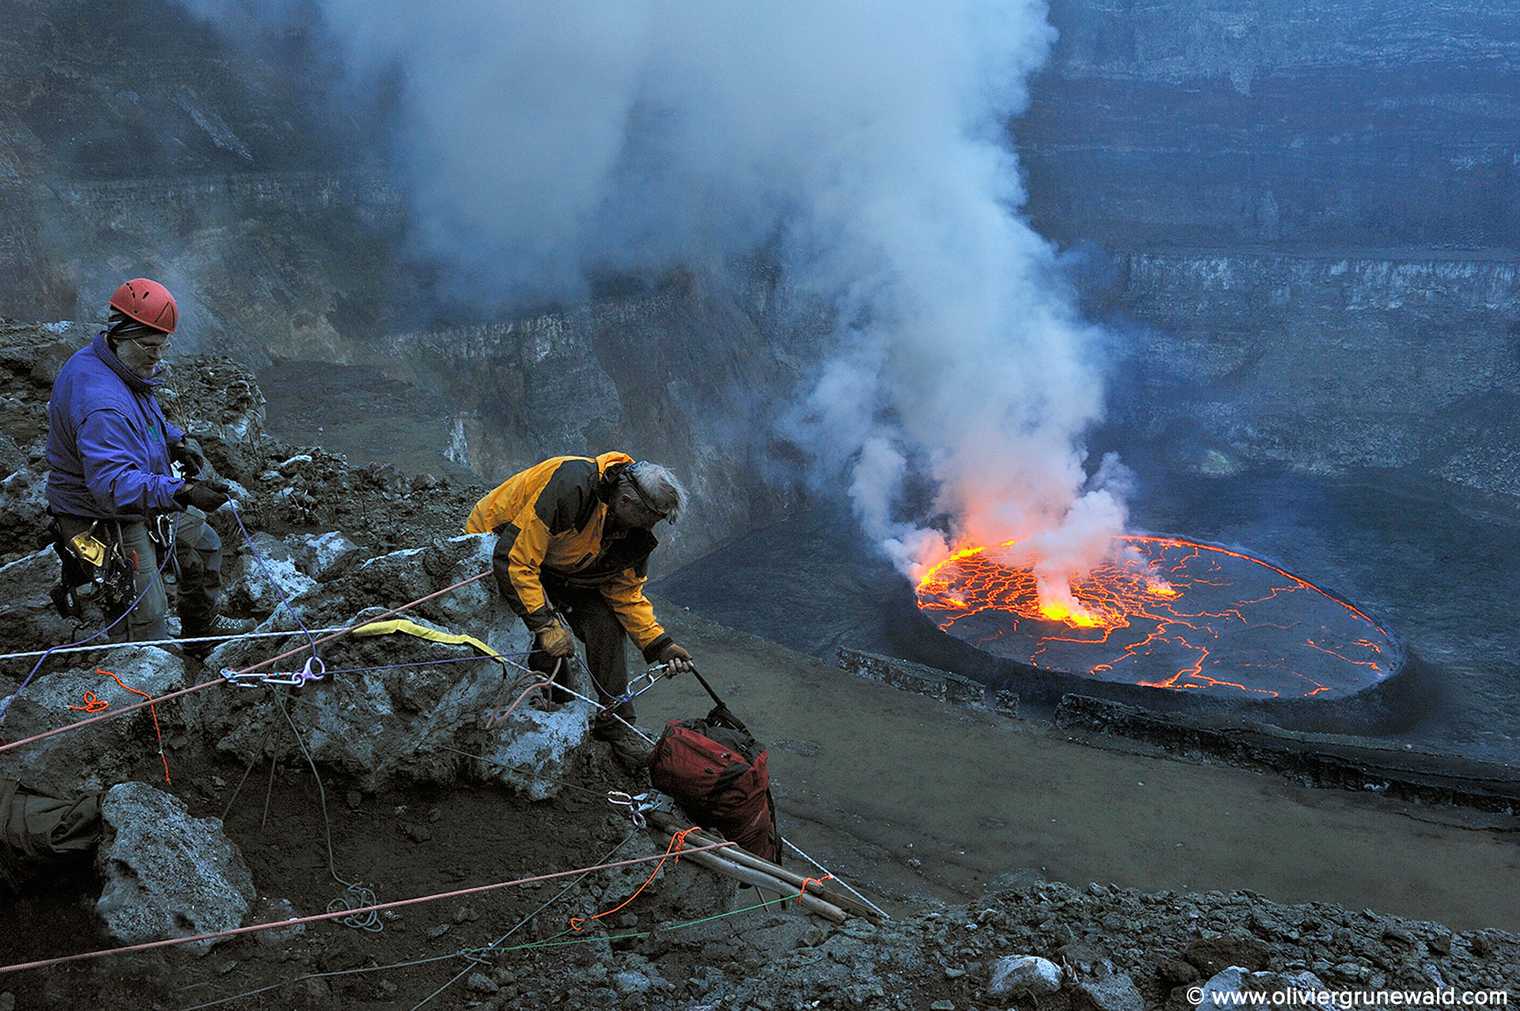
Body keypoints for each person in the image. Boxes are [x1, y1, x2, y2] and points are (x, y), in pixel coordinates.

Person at [44, 277, 247, 649]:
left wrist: (173, 441)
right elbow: (113, 487)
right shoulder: (100, 402)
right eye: (150, 346)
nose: (158, 355)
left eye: (162, 345)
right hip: (106, 516)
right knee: (146, 614)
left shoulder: (116, 364)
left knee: (203, 544)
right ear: (122, 335)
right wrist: (183, 490)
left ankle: (201, 634)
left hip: (143, 492)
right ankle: (145, 686)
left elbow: (142, 412)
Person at [465, 452, 695, 768]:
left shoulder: (628, 528)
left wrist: (660, 644)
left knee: (606, 626)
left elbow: (625, 593)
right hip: (499, 542)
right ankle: (553, 696)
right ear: (627, 501)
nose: (651, 528)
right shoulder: (572, 487)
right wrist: (545, 624)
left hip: (561, 565)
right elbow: (516, 559)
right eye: (650, 518)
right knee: (549, 647)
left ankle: (616, 724)